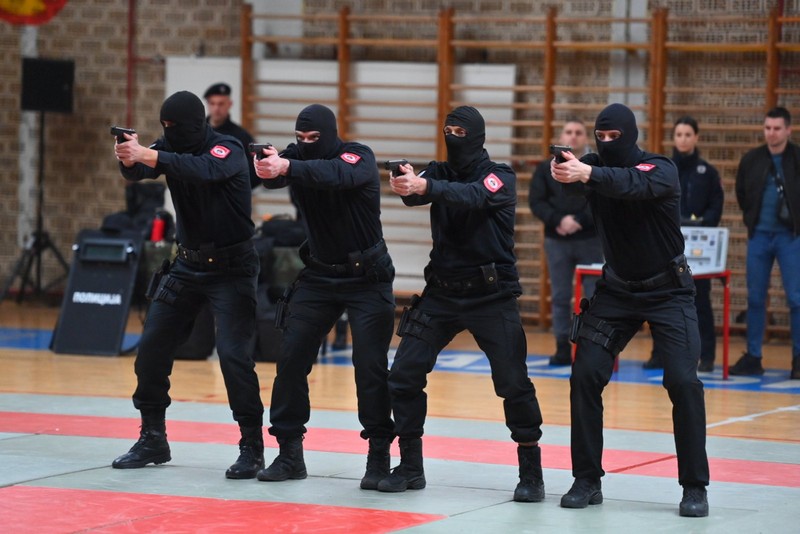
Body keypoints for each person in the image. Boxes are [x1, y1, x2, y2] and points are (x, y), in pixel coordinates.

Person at [378, 106, 545, 503]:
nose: (453, 137)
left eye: (460, 131)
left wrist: (425, 187)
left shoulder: (499, 176)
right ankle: (411, 467)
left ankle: (531, 472)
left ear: (477, 136)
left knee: (513, 383)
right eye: (448, 129)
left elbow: (471, 196)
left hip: (492, 296)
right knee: (403, 375)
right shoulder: (437, 172)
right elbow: (417, 194)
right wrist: (406, 182)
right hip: (442, 293)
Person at [550, 103, 710, 517]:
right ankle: (586, 479)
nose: (605, 145)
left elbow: (629, 184)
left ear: (630, 135)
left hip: (668, 291)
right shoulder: (593, 167)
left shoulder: (660, 169)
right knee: (585, 374)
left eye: (612, 138)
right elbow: (568, 184)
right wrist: (564, 169)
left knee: (682, 380)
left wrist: (588, 173)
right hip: (617, 290)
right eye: (599, 138)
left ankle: (694, 486)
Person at [111, 90, 265, 479]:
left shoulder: (227, 149)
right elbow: (143, 171)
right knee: (150, 349)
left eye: (174, 127)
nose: (168, 133)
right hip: (187, 264)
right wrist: (130, 157)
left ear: (197, 125)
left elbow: (201, 169)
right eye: (164, 128)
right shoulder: (167, 146)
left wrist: (151, 155)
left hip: (233, 268)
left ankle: (252, 446)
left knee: (233, 356)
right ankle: (153, 437)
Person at [252, 103, 396, 488]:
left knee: (370, 367)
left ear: (330, 135)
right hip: (319, 275)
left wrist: (287, 166)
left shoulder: (357, 156)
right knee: (292, 356)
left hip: (368, 277)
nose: (305, 144)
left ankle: (379, 455)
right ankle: (288, 453)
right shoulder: (295, 156)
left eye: (313, 139)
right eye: (300, 139)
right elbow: (273, 177)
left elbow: (335, 175)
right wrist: (267, 164)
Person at [643, 116, 724, 372]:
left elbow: (715, 205)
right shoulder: (664, 169)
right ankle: (659, 354)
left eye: (688, 134)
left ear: (696, 137)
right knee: (662, 300)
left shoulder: (707, 172)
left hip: (698, 248)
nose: (683, 139)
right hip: (667, 245)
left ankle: (707, 355)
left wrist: (703, 224)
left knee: (700, 301)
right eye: (679, 134)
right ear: (674, 138)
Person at [733, 106, 800, 379]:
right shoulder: (752, 159)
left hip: (790, 237)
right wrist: (751, 220)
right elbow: (741, 192)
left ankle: (798, 359)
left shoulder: (797, 158)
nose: (771, 133)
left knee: (796, 298)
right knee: (755, 298)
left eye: (776, 128)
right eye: (767, 128)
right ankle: (753, 356)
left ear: (788, 130)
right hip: (759, 236)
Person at [530, 118, 604, 365]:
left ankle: (589, 345)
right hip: (557, 239)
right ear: (562, 137)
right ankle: (562, 345)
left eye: (579, 133)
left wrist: (580, 221)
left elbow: (601, 200)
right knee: (561, 296)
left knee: (592, 297)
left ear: (585, 138)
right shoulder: (545, 169)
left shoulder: (594, 167)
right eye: (569, 132)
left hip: (590, 240)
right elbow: (537, 201)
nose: (573, 136)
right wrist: (559, 220)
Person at [203, 82, 259, 188]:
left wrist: (236, 188)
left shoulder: (241, 136)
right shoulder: (197, 133)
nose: (216, 109)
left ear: (229, 104)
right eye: (212, 103)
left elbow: (255, 170)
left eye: (221, 104)